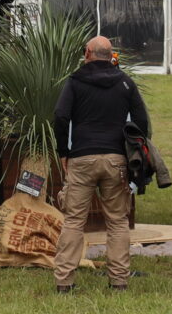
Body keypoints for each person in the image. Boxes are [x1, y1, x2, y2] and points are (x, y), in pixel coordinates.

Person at [51, 36, 151, 294]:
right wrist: (136, 152)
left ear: (87, 53)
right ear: (111, 55)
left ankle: (64, 282)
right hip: (116, 160)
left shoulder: (74, 82)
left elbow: (61, 117)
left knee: (74, 220)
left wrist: (64, 152)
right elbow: (142, 120)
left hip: (82, 158)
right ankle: (119, 281)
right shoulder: (125, 83)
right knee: (117, 221)